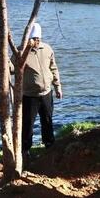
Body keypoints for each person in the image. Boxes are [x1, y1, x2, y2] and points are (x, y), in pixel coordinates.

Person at [17, 23, 62, 162]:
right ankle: (25, 151)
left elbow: (53, 68)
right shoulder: (21, 51)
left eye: (37, 39)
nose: (35, 41)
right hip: (29, 96)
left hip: (46, 93)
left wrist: (57, 87)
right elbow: (12, 68)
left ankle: (49, 146)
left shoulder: (47, 49)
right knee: (27, 124)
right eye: (32, 38)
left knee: (47, 120)